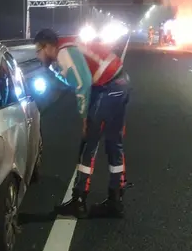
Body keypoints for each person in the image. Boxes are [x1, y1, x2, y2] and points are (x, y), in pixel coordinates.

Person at [34, 28, 131, 218]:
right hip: (121, 84)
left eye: (38, 51)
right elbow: (77, 76)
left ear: (46, 46)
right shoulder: (68, 45)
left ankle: (78, 201)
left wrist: (84, 116)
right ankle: (115, 198)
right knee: (114, 144)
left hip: (107, 89)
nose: (37, 56)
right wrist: (57, 72)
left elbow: (83, 83)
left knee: (88, 144)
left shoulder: (64, 52)